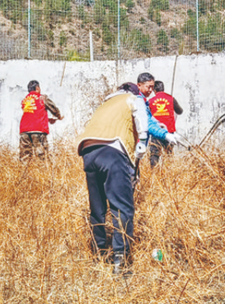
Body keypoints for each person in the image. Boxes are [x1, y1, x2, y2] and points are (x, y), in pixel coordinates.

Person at [76, 81, 180, 275]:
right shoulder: (133, 99)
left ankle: (99, 255)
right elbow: (143, 122)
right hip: (113, 151)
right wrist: (148, 141)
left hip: (88, 152)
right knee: (122, 208)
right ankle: (121, 262)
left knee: (97, 209)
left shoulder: (105, 104)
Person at [19, 80, 63, 160]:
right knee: (42, 156)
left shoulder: (25, 100)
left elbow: (32, 113)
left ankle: (25, 168)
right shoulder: (42, 98)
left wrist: (47, 119)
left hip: (24, 130)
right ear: (37, 88)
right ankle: (43, 168)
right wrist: (58, 116)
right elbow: (53, 108)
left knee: (25, 156)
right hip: (38, 130)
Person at [147, 80, 184, 167]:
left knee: (154, 155)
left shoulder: (150, 101)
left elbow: (147, 116)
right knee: (169, 155)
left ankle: (153, 173)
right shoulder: (171, 99)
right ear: (163, 88)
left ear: (154, 90)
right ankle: (169, 171)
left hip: (156, 132)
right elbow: (180, 111)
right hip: (169, 132)